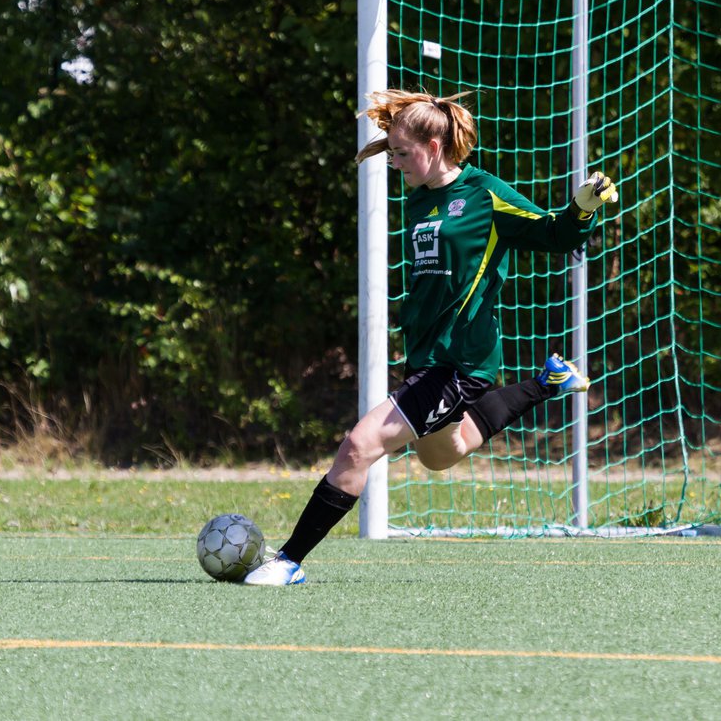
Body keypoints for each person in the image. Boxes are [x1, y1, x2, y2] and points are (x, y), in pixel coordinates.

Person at [243, 89, 619, 585]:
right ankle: (546, 383)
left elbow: (556, 235)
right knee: (442, 453)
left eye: (402, 152)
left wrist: (581, 208)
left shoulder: (484, 193)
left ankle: (289, 561)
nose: (395, 161)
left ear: (436, 145)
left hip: (460, 364)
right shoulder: (419, 198)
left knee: (359, 445)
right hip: (426, 358)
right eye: (392, 152)